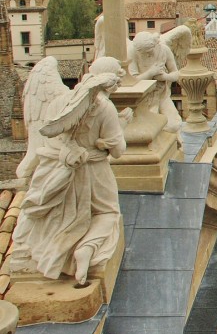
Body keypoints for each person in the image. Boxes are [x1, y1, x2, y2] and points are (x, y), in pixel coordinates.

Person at [9, 57, 130, 285]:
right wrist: (122, 125)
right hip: (93, 172)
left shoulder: (59, 100)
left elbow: (49, 136)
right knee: (108, 213)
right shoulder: (105, 108)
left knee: (50, 212)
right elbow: (118, 151)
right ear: (111, 83)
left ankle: (47, 247)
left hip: (57, 170)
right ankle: (86, 247)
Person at [129, 31, 182, 131]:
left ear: (154, 44)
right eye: (144, 53)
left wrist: (165, 77)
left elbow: (176, 74)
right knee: (150, 127)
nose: (148, 54)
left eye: (149, 51)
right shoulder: (132, 51)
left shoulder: (164, 50)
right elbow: (133, 81)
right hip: (142, 98)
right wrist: (151, 72)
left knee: (174, 125)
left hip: (162, 94)